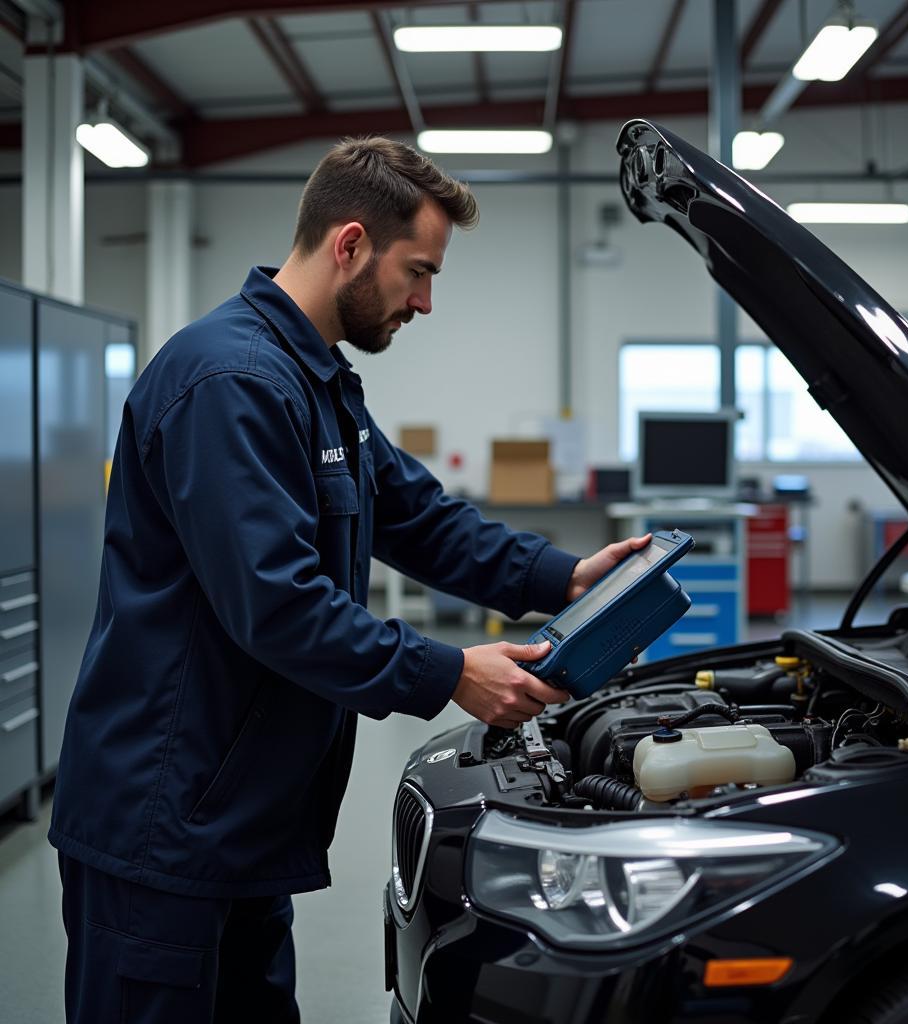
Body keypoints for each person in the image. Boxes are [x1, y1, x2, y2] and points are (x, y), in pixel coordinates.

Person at [48, 136, 649, 1022]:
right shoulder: (230, 381)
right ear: (351, 243)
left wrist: (562, 575)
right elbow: (279, 605)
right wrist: (450, 674)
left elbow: (418, 517)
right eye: (419, 271)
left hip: (237, 818)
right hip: (162, 827)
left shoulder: (318, 383)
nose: (426, 301)